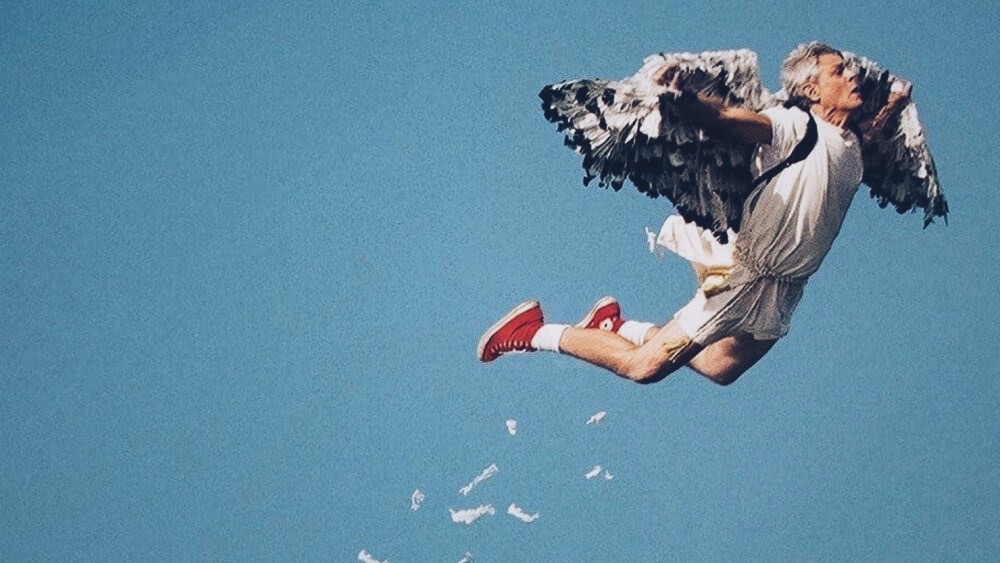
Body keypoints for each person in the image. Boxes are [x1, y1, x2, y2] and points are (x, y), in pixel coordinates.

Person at [477, 42, 913, 386]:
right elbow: (725, 118)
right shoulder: (794, 126)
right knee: (643, 368)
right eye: (839, 71)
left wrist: (893, 105)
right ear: (812, 91)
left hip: (785, 290)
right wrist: (683, 97)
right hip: (744, 280)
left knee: (720, 367)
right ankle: (532, 332)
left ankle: (617, 326)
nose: (853, 74)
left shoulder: (854, 147)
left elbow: (865, 139)